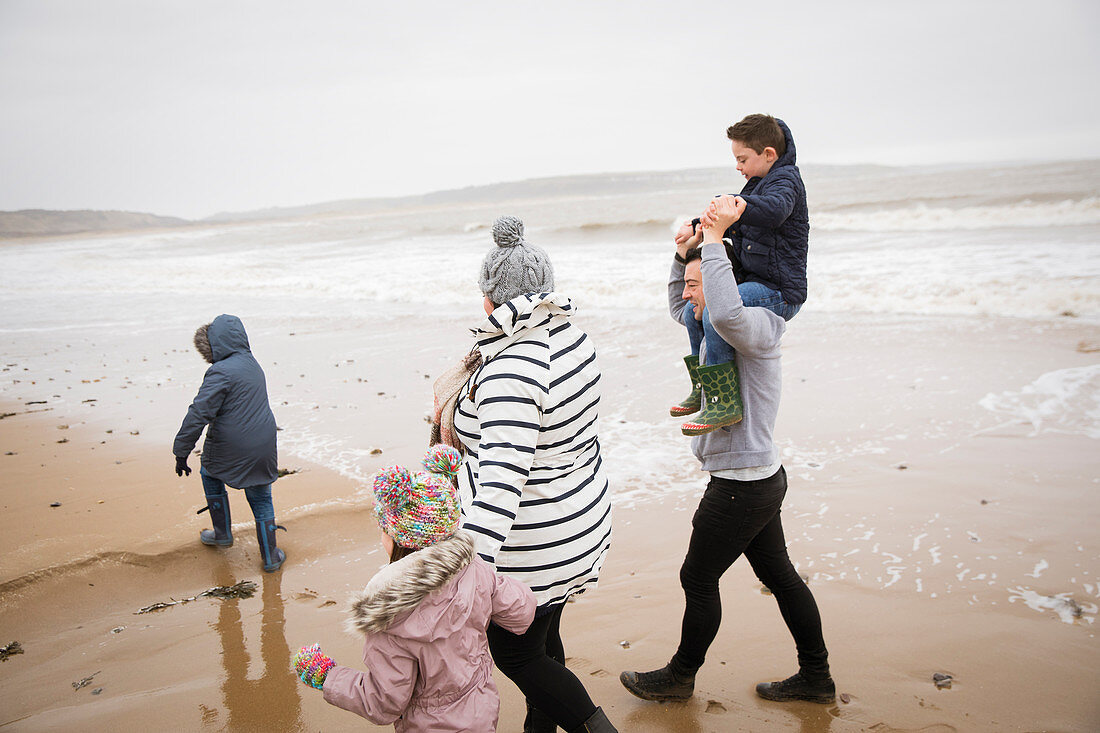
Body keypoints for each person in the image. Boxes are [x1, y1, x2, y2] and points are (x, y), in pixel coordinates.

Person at [620, 196, 835, 705]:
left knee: (697, 577)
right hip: (757, 477)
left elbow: (723, 308)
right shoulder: (709, 319)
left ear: (723, 284)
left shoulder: (753, 323)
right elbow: (681, 306)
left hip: (743, 484)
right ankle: (817, 678)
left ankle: (679, 676)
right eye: (692, 286)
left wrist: (715, 244)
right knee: (779, 576)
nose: (691, 297)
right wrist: (683, 258)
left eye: (700, 286)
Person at [453, 216, 617, 733]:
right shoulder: (574, 340)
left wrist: (465, 568)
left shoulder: (510, 370)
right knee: (542, 643)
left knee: (519, 657)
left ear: (489, 300)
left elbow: (502, 480)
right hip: (579, 523)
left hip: (531, 546)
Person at [292, 446, 537, 732]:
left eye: (385, 529)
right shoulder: (474, 570)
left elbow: (384, 702)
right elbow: (522, 611)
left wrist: (328, 676)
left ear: (399, 538)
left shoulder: (389, 614)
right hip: (481, 710)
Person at [671, 114, 809, 436]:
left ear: (769, 154)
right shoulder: (758, 184)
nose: (738, 166)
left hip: (779, 292)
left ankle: (723, 401)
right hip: (754, 284)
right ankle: (703, 387)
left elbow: (772, 210)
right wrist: (696, 224)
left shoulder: (786, 182)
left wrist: (737, 204)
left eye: (742, 158)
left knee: (718, 306)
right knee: (697, 312)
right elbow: (735, 217)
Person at [173, 314, 286, 572]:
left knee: (209, 472)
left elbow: (198, 413)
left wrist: (181, 451)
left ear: (213, 346)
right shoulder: (254, 364)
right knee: (260, 496)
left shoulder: (219, 371)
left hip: (232, 443)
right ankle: (271, 557)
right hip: (265, 442)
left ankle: (222, 534)